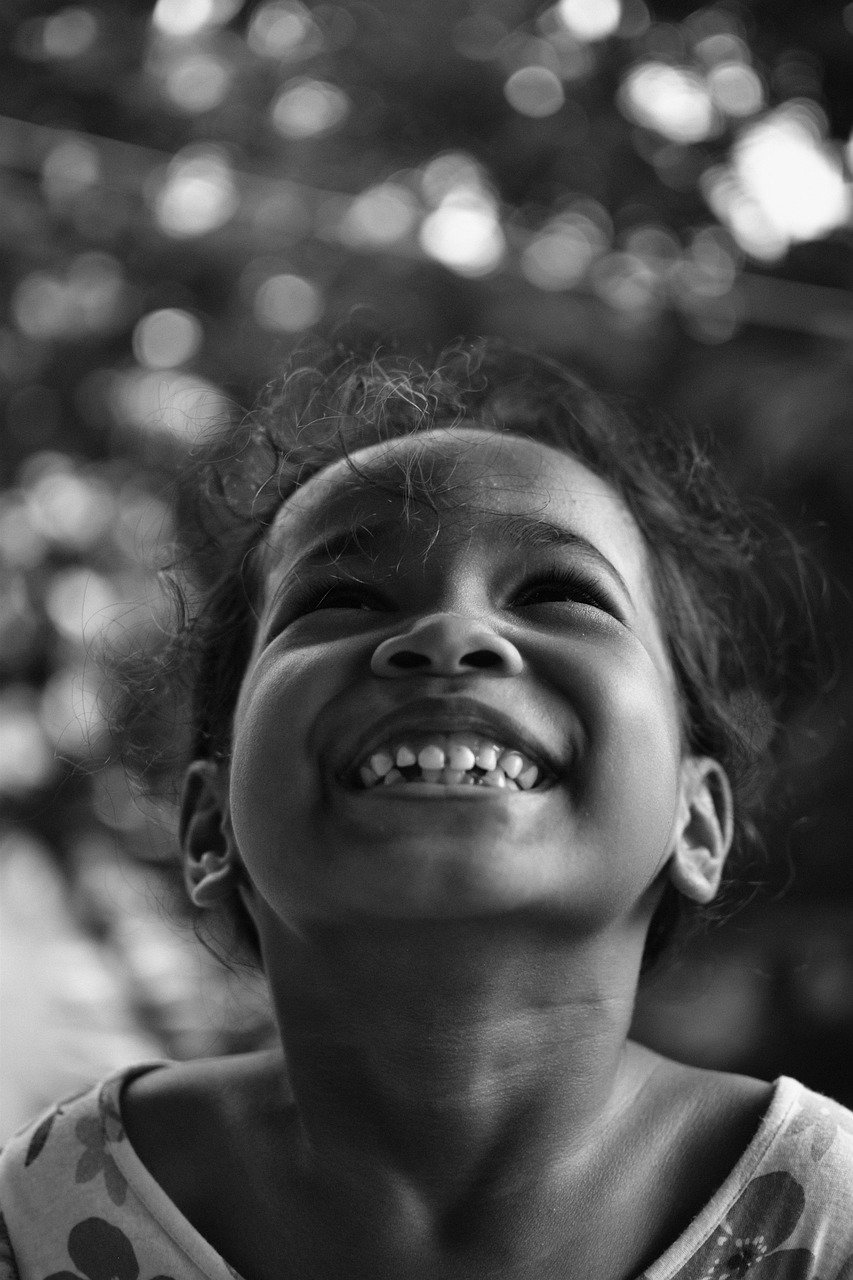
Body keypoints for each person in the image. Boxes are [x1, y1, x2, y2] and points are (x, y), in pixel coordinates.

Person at [1, 340, 851, 1279]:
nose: (450, 633)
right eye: (342, 597)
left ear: (696, 824)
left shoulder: (832, 1220)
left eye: (560, 592)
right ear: (208, 825)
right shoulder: (38, 1219)